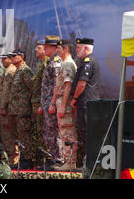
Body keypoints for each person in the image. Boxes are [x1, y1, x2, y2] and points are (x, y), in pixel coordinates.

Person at [70, 38, 102, 161]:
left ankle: (91, 159)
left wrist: (74, 98)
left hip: (86, 102)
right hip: (87, 102)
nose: (76, 50)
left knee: (88, 131)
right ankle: (90, 158)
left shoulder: (88, 62)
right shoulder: (86, 61)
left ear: (86, 48)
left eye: (78, 47)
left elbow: (82, 83)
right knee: (86, 131)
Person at [6, 48, 35, 169]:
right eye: (11, 56)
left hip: (23, 110)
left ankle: (27, 160)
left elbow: (32, 88)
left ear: (21, 56)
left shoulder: (25, 70)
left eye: (14, 56)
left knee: (25, 135)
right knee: (20, 136)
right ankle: (23, 158)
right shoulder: (18, 70)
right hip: (16, 110)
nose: (12, 58)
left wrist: (29, 106)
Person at [52, 39, 78, 171]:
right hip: (61, 101)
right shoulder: (64, 63)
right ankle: (68, 161)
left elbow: (68, 86)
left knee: (68, 132)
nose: (57, 50)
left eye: (59, 48)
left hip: (65, 102)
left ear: (66, 49)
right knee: (64, 132)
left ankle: (71, 162)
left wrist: (62, 105)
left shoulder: (68, 64)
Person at [39, 35, 63, 167]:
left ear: (53, 47)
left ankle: (59, 159)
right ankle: (55, 157)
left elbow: (57, 84)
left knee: (54, 132)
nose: (45, 49)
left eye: (46, 47)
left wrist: (53, 103)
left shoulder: (56, 62)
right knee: (49, 133)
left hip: (52, 104)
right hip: (48, 103)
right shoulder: (50, 61)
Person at [0, 53, 17, 163]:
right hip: (5, 106)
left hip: (8, 108)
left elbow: (6, 91)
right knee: (6, 134)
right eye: (2, 58)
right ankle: (11, 158)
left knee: (8, 134)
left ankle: (13, 159)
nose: (3, 60)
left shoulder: (10, 71)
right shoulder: (7, 70)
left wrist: (3, 106)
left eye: (5, 58)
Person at [31, 40, 48, 165]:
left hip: (43, 103)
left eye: (39, 47)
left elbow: (46, 87)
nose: (36, 50)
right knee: (39, 131)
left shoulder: (47, 64)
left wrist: (42, 104)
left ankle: (47, 158)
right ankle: (42, 159)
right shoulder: (41, 64)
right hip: (37, 103)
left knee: (44, 131)